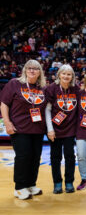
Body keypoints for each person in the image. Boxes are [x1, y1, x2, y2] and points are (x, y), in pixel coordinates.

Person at [1, 60, 47, 200]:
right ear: (25, 70)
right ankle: (20, 187)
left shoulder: (42, 88)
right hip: (19, 128)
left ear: (40, 72)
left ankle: (31, 184)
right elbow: (4, 104)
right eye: (29, 68)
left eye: (35, 68)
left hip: (38, 129)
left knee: (35, 158)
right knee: (23, 157)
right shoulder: (14, 84)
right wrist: (7, 123)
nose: (32, 70)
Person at [45, 64, 79, 194]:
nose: (66, 76)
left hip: (70, 129)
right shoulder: (52, 88)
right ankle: (57, 183)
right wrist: (50, 129)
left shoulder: (75, 89)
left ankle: (69, 182)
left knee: (70, 156)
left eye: (69, 74)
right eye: (64, 73)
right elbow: (47, 110)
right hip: (55, 129)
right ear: (59, 74)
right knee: (55, 157)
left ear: (72, 76)